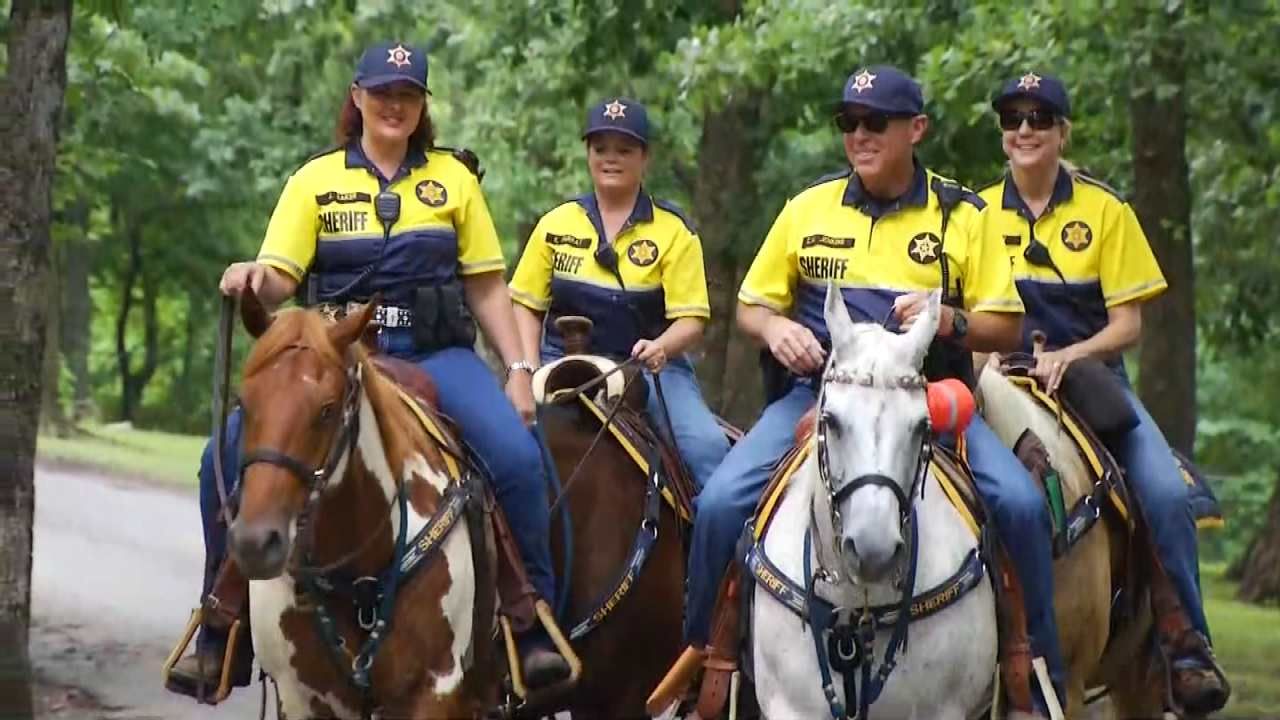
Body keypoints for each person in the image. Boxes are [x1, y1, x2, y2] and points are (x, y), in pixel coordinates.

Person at [167, 41, 570, 695]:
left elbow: (489, 287)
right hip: (336, 356)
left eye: (407, 95)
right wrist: (251, 278)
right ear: (357, 97)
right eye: (382, 93)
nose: (394, 105)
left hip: (438, 353)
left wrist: (521, 369)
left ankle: (529, 625)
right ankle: (222, 626)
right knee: (224, 455)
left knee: (519, 460)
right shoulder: (315, 181)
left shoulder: (454, 182)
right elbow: (278, 279)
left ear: (421, 107)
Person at [683, 65, 1070, 715]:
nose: (859, 136)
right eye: (848, 124)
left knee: (1023, 506)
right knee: (721, 501)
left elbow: (1007, 321)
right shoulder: (806, 209)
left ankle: (1032, 675)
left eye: (875, 123)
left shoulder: (962, 215)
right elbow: (751, 306)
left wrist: (947, 318)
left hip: (929, 399)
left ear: (915, 129)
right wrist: (776, 328)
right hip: (818, 398)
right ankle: (706, 667)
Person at [978, 71, 1228, 714]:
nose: (1025, 129)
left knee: (1167, 493)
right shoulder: (973, 213)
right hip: (995, 377)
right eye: (1014, 119)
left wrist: (1069, 355)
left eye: (1040, 118)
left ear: (1062, 132)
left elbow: (1129, 325)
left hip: (1088, 379)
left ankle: (1183, 644)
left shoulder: (1105, 210)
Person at [509, 98, 729, 490]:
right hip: (559, 362)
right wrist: (525, 369)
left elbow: (692, 320)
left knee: (707, 449)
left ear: (646, 157)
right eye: (601, 149)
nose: (611, 159)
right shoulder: (555, 223)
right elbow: (525, 305)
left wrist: (661, 346)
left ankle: (715, 549)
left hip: (650, 366)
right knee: (497, 444)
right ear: (588, 154)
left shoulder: (675, 231)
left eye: (625, 150)